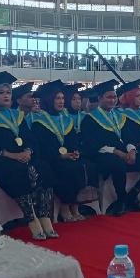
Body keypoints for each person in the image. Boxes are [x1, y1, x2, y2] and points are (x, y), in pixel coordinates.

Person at [0, 72, 57, 240]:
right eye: (1, 92)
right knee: (18, 171)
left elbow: (31, 139)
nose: (6, 96)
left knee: (44, 167)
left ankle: (45, 215)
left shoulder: (17, 115)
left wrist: (28, 151)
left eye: (8, 92)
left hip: (23, 157)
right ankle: (31, 219)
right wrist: (12, 155)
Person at [80, 80, 140, 216]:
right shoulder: (90, 119)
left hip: (125, 153)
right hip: (102, 155)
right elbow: (93, 145)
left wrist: (131, 150)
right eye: (108, 97)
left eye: (114, 97)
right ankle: (121, 199)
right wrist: (117, 152)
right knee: (118, 164)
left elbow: (129, 137)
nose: (112, 100)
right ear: (100, 98)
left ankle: (133, 195)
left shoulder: (120, 116)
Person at [32, 80, 94, 222]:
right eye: (57, 98)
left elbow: (73, 140)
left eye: (62, 98)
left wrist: (75, 152)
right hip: (50, 159)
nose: (61, 101)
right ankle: (65, 207)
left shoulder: (65, 119)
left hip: (67, 156)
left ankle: (75, 205)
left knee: (83, 164)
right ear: (48, 100)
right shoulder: (39, 121)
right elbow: (42, 147)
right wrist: (60, 156)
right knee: (66, 168)